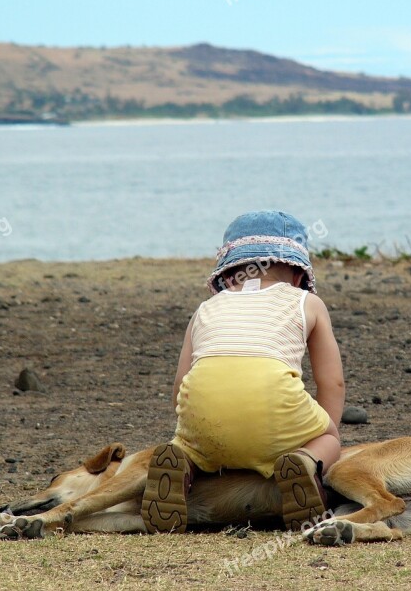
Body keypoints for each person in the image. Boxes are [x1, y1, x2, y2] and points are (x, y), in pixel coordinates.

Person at [141, 211, 345, 533]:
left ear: (229, 273)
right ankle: (306, 462)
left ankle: (185, 461)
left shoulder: (207, 308)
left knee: (190, 445)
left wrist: (194, 430)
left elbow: (182, 382)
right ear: (297, 274)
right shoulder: (307, 302)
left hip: (204, 415)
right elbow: (332, 381)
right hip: (275, 410)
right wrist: (327, 428)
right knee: (328, 439)